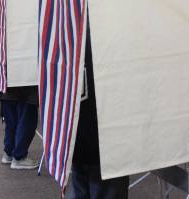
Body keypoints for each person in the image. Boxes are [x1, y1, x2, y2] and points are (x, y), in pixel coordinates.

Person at [69, 15, 129, 199]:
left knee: (81, 186)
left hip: (77, 133)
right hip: (106, 138)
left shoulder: (69, 20)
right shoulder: (114, 24)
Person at [0, 86, 39, 170]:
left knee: (11, 122)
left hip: (7, 86)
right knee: (26, 121)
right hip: (27, 86)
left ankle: (9, 153)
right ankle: (19, 157)